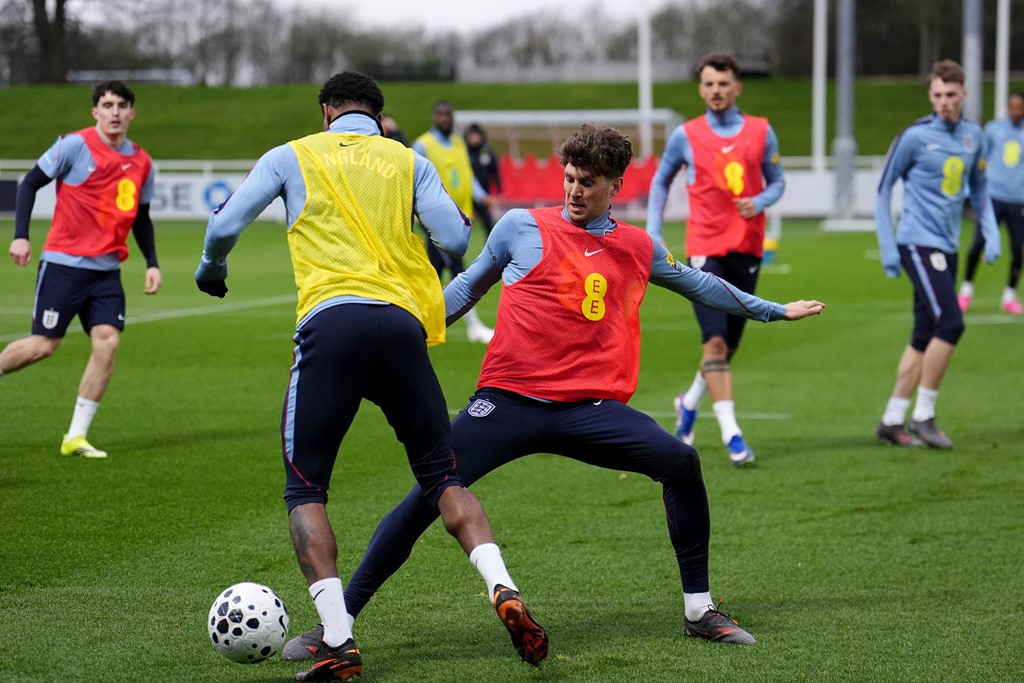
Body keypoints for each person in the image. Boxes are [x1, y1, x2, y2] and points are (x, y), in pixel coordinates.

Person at [282, 123, 825, 658]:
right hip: (506, 403)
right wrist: (403, 333)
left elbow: (700, 284)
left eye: (588, 182)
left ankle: (699, 611)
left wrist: (775, 311)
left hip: (591, 409)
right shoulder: (520, 226)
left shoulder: (638, 246)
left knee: (681, 462)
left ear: (615, 186)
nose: (575, 191)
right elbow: (467, 288)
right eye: (569, 178)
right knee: (428, 497)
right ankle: (338, 622)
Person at [194, 72, 547, 681]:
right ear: (380, 118)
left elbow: (224, 226)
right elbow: (454, 235)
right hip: (402, 326)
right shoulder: (408, 160)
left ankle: (338, 639)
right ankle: (503, 587)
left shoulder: (292, 155)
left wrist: (212, 268)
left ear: (326, 110)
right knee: (444, 476)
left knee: (305, 488)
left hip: (331, 324)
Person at [0, 80, 161, 459]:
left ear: (132, 113)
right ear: (95, 112)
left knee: (108, 343)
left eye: (122, 105)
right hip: (63, 265)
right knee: (43, 346)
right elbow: (29, 184)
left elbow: (141, 218)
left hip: (107, 271)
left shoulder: (143, 162)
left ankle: (75, 436)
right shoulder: (74, 145)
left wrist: (152, 263)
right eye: (107, 105)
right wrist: (21, 236)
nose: (115, 112)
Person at [645, 53, 785, 466]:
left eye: (723, 84)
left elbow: (778, 182)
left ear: (736, 88)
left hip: (748, 247)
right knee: (716, 341)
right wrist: (654, 230)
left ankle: (688, 403)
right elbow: (660, 181)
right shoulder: (686, 135)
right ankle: (732, 434)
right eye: (709, 84)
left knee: (727, 348)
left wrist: (759, 201)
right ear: (701, 89)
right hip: (704, 248)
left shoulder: (761, 131)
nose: (716, 91)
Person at [875, 59, 1000, 450]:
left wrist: (991, 232)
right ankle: (923, 415)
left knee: (924, 333)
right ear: (930, 96)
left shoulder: (973, 136)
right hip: (916, 241)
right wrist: (888, 245)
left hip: (948, 244)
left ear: (964, 94)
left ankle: (891, 419)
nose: (944, 101)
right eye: (937, 95)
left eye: (951, 94)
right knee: (951, 323)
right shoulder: (914, 136)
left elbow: (979, 186)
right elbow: (883, 189)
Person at [413, 100, 496, 344]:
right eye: (440, 115)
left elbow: (468, 177)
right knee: (460, 271)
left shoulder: (459, 143)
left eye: (447, 115)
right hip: (438, 220)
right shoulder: (423, 144)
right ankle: (474, 326)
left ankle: (416, 323)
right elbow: (413, 178)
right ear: (433, 117)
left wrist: (481, 196)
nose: (444, 119)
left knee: (433, 272)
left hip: (460, 219)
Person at [957, 91, 1024, 315]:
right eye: (1013, 106)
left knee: (1017, 249)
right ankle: (966, 290)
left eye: (1020, 107)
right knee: (978, 243)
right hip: (993, 195)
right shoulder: (994, 129)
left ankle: (1009, 296)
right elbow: (981, 158)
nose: (1016, 111)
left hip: (1019, 199)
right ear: (1007, 107)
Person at [465, 122, 502, 235]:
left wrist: (499, 192)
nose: (474, 138)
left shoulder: (487, 151)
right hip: (467, 192)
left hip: (485, 193)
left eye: (476, 135)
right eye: (472, 135)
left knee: (487, 222)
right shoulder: (464, 152)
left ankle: (491, 243)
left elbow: (495, 172)